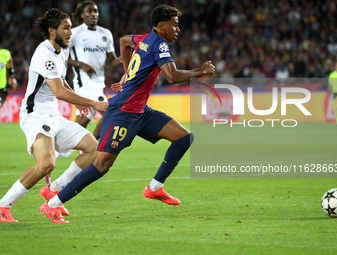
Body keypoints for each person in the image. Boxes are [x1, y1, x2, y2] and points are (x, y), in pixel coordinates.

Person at [41, 4, 215, 223]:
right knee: (102, 165)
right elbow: (171, 76)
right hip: (123, 112)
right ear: (161, 26)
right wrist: (200, 71)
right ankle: (53, 204)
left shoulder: (144, 38)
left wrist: (127, 73)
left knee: (184, 138)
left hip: (140, 111)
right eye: (175, 24)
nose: (178, 29)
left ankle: (155, 187)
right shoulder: (159, 43)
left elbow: (124, 41)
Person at [0, 8, 108, 223]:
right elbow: (58, 91)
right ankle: (3, 205)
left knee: (94, 149)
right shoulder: (44, 54)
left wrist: (79, 99)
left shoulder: (63, 49)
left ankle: (53, 190)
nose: (70, 32)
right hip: (35, 116)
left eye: (70, 27)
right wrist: (92, 103)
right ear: (52, 30)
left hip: (53, 115)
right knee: (46, 164)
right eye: (65, 28)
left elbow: (61, 82)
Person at [45, 0, 120, 184]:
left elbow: (112, 61)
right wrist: (81, 64)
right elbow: (63, 56)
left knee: (79, 125)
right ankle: (91, 145)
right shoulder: (75, 33)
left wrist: (131, 56)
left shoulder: (106, 34)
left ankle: (49, 158)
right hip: (83, 84)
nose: (94, 14)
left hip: (98, 85)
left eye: (96, 11)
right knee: (111, 112)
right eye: (89, 11)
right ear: (82, 15)